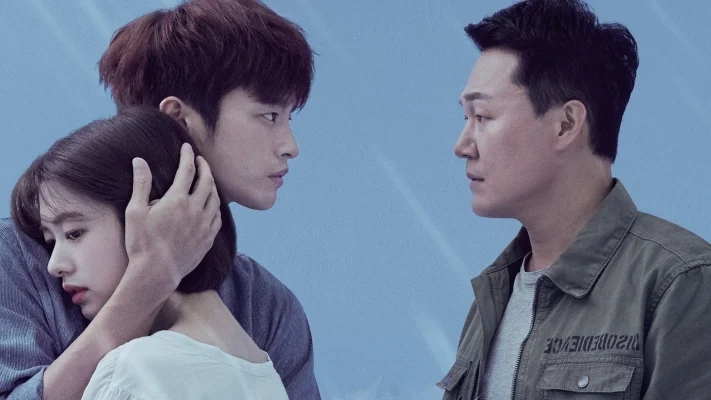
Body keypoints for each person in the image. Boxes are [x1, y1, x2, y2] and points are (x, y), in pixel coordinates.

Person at [0, 0, 320, 398]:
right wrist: (149, 282)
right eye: (269, 115)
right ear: (177, 119)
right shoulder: (20, 257)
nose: (291, 146)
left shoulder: (265, 305)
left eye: (289, 117)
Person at [437, 0, 711, 399]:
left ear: (566, 125)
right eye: (466, 118)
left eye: (482, 116)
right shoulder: (492, 298)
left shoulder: (681, 283)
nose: (462, 145)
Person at [12, 107, 288, 400]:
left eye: (74, 233)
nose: (54, 265)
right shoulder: (265, 375)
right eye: (50, 242)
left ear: (161, 217)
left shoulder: (134, 373)